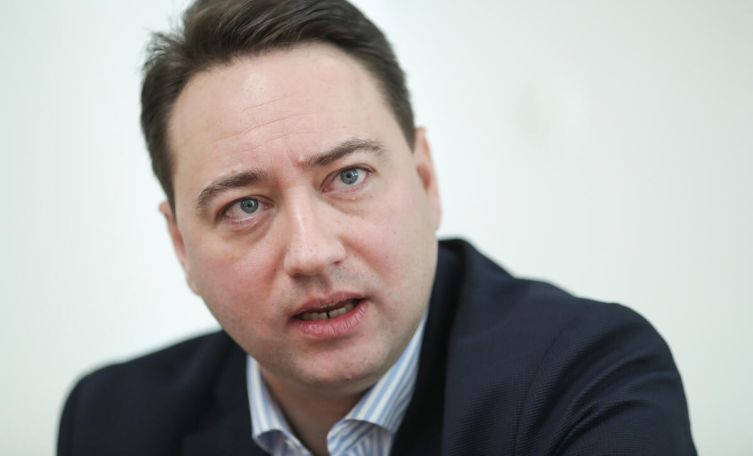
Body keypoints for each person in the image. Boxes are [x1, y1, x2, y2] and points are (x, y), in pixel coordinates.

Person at [57, 0, 696, 454]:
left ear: (425, 180)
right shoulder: (112, 422)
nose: (311, 253)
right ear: (180, 246)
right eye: (245, 206)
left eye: (349, 176)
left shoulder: (587, 380)